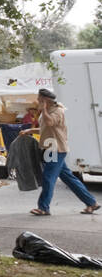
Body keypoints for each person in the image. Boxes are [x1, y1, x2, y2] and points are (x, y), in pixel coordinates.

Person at [28, 88, 99, 216]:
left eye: (39, 99)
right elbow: (45, 129)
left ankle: (43, 207)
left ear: (45, 100)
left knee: (48, 177)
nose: (37, 100)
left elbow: (49, 123)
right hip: (49, 148)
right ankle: (91, 203)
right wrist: (29, 131)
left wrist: (43, 109)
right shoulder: (47, 112)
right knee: (69, 179)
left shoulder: (57, 111)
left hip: (55, 149)